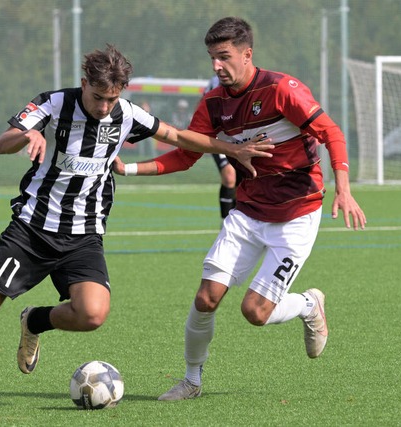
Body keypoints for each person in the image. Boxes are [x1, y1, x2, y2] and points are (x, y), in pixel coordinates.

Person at [0, 44, 273, 407]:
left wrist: (231, 148)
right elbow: (2, 143)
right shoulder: (53, 104)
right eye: (98, 97)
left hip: (84, 235)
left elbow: (175, 136)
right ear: (84, 84)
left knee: (93, 314)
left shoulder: (126, 113)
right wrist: (27, 135)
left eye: (112, 99)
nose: (104, 107)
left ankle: (34, 320)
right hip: (32, 228)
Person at [113, 17, 367, 401]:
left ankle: (308, 304)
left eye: (224, 57)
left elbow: (331, 133)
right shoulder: (214, 103)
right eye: (212, 58)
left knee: (255, 312)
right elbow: (185, 154)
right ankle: (191, 381)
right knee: (205, 298)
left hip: (296, 214)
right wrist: (128, 168)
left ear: (247, 55)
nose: (216, 66)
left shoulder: (283, 89)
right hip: (248, 212)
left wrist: (344, 190)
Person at [205, 75, 238, 219]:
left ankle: (239, 219)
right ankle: (225, 221)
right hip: (218, 136)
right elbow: (202, 103)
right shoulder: (214, 81)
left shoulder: (247, 80)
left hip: (239, 136)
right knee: (229, 175)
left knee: (242, 180)